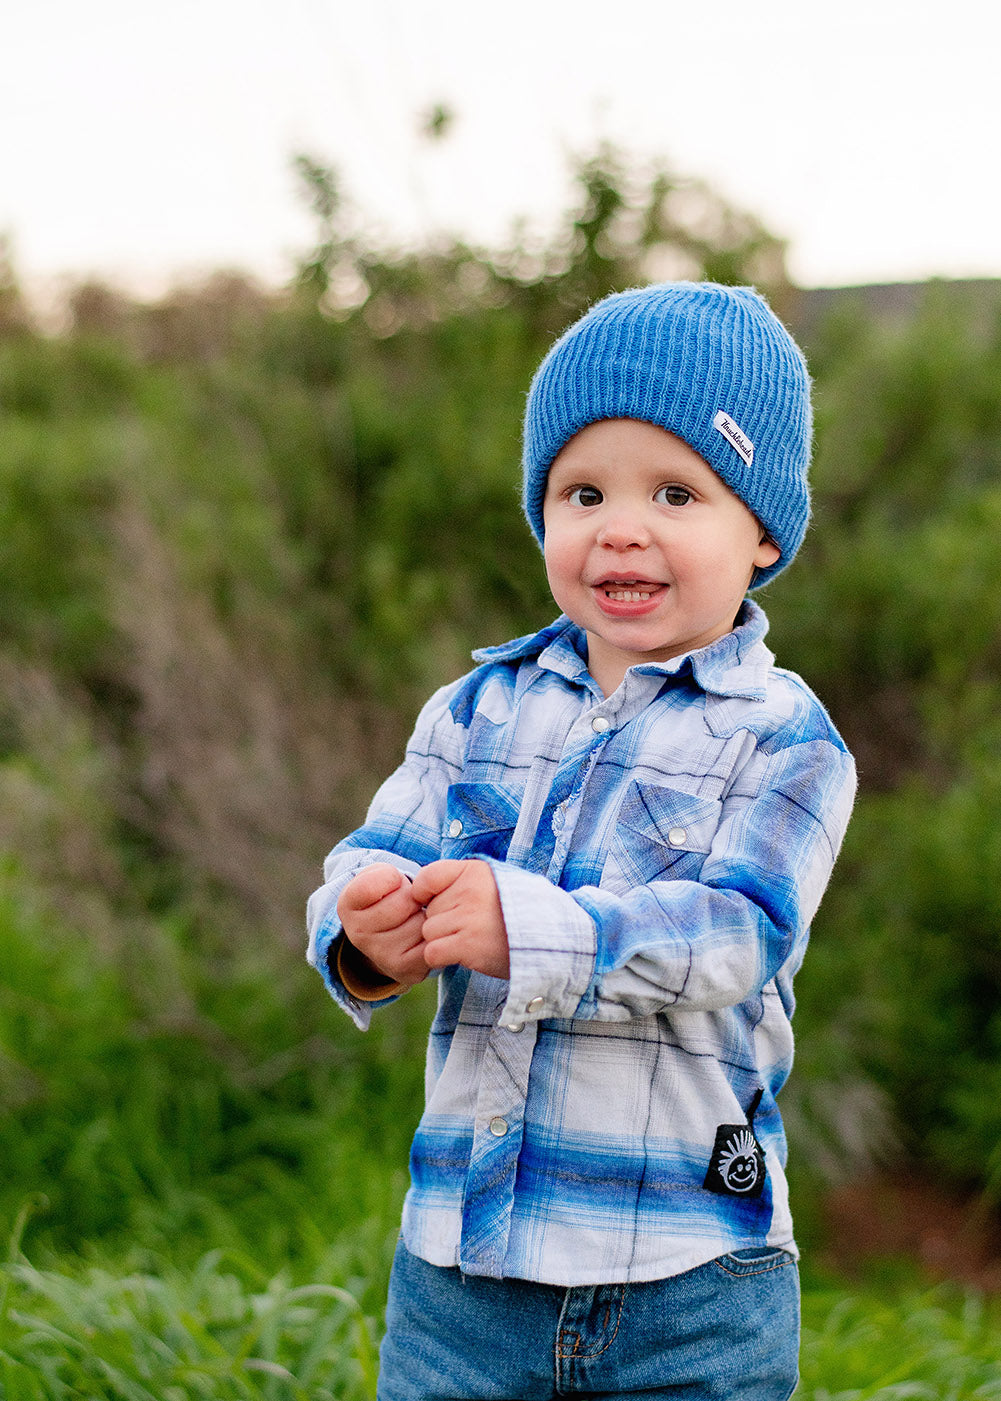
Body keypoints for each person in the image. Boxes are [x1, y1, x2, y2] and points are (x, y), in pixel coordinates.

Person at [306, 281, 856, 1401]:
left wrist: (534, 930)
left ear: (759, 532)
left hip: (690, 1280)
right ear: (542, 514)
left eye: (673, 492)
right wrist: (362, 925)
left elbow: (734, 935)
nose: (620, 525)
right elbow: (375, 850)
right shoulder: (478, 709)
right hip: (462, 1272)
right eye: (581, 489)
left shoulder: (781, 736)